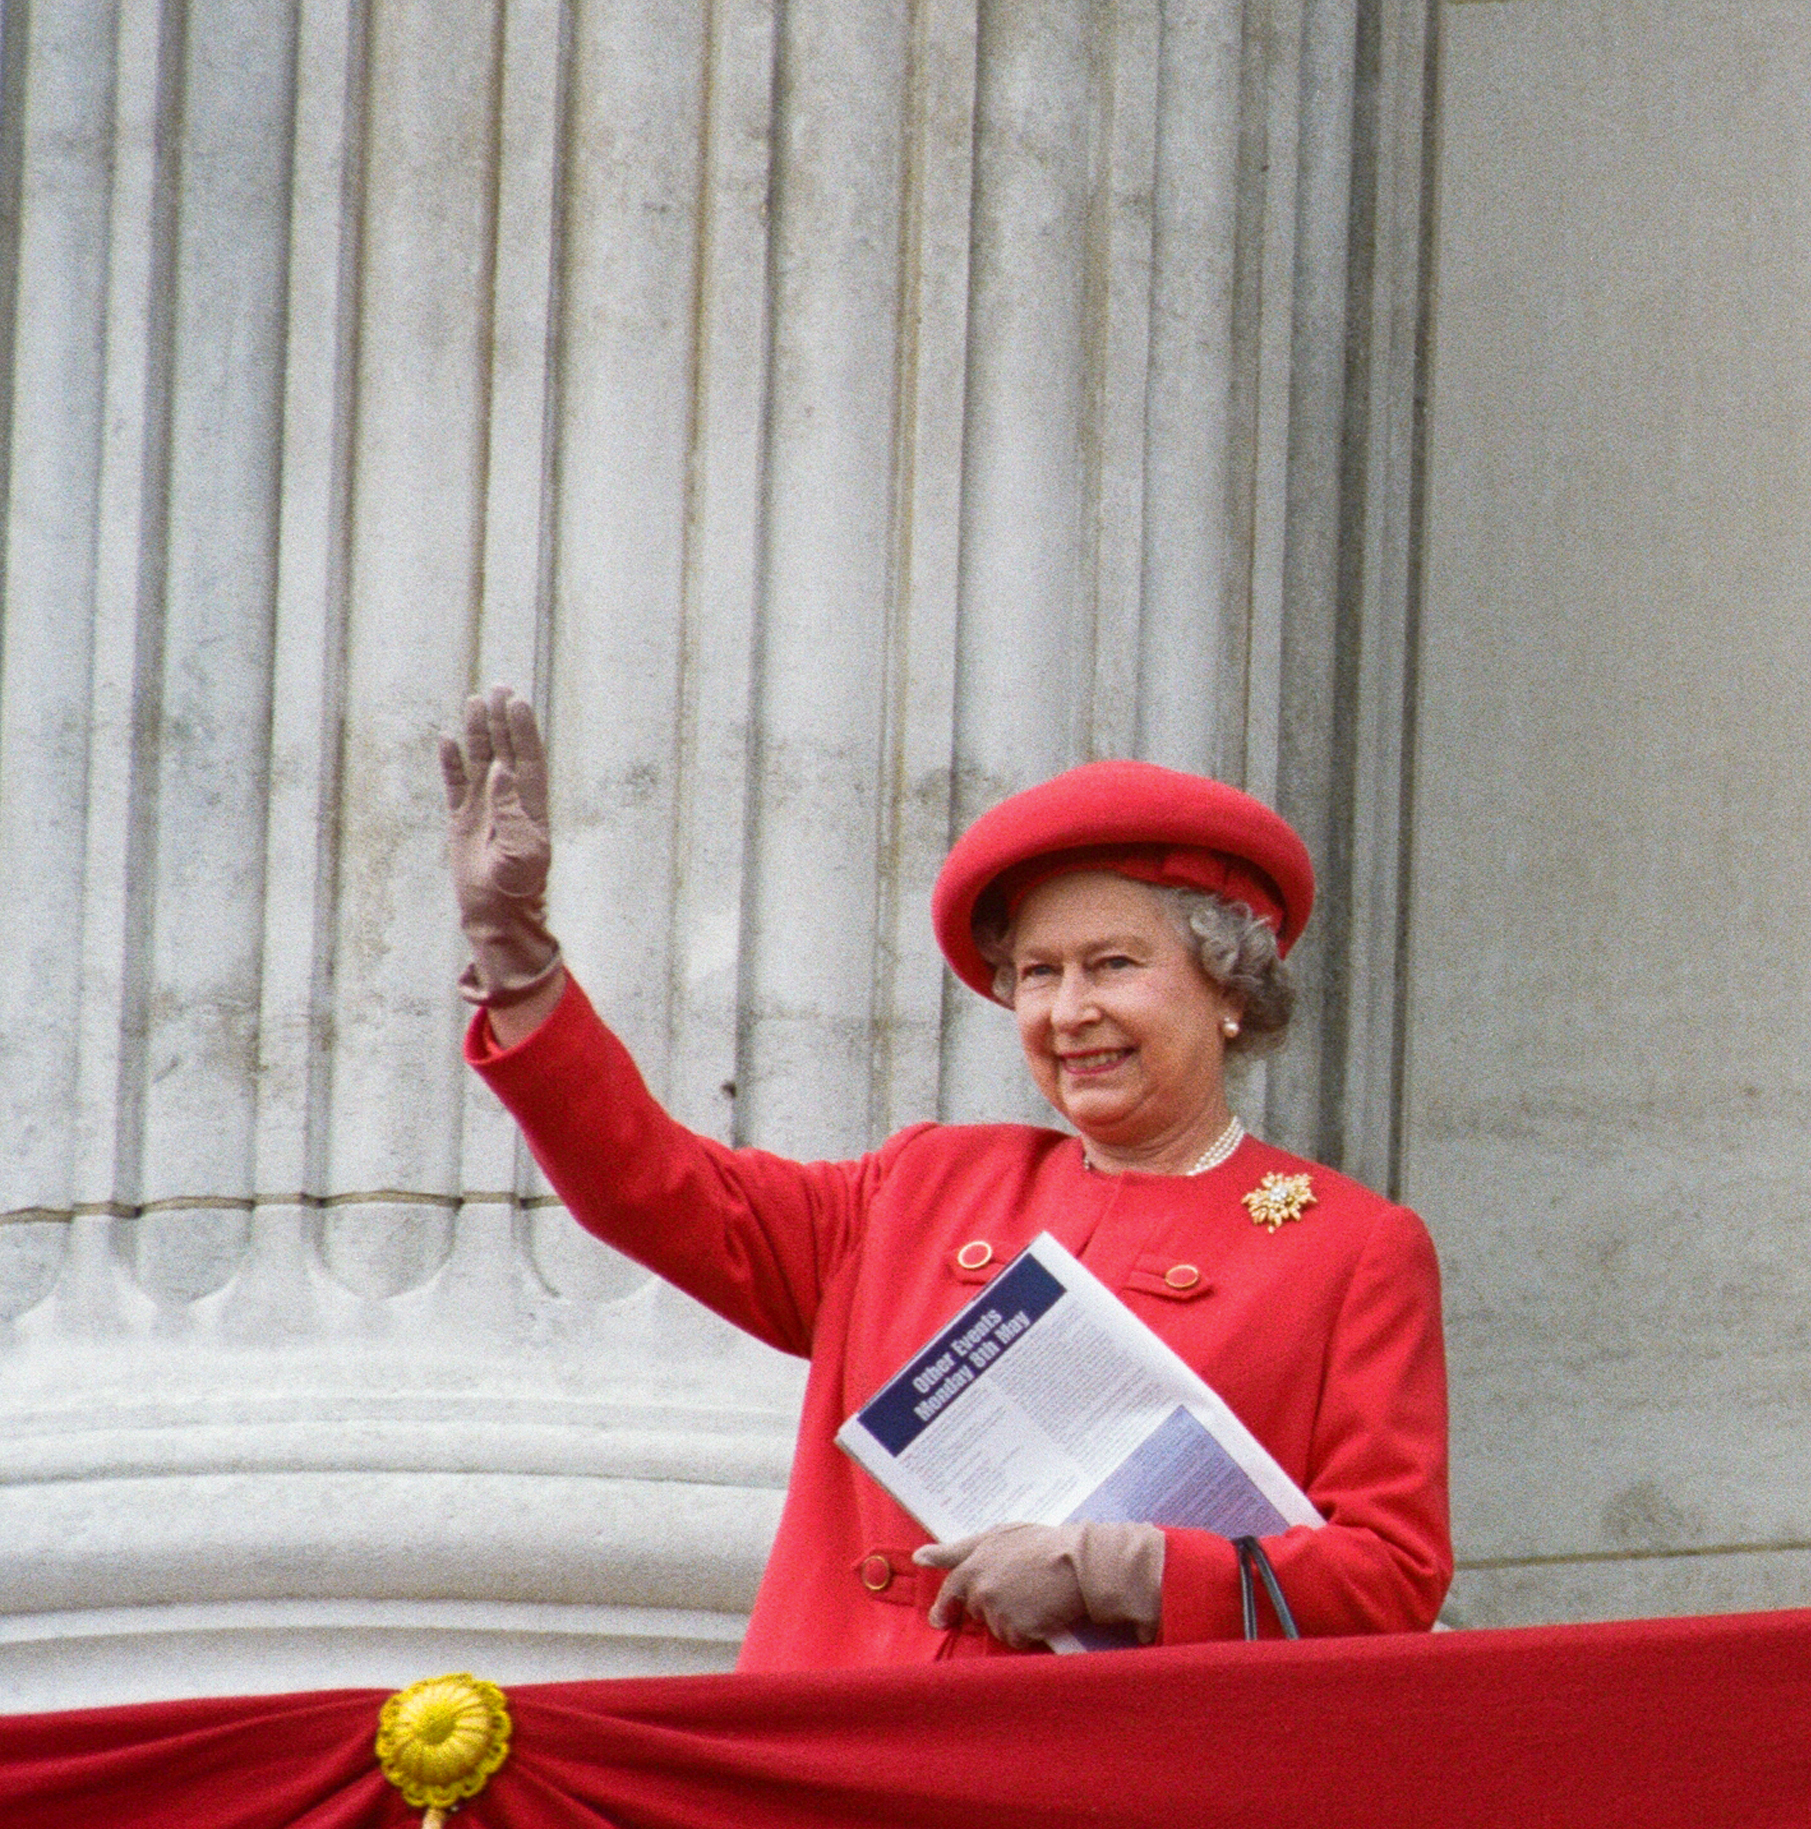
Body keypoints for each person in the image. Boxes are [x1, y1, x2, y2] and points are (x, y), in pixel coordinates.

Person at [445, 690, 1451, 1660]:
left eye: (1112, 966)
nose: (1069, 1012)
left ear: (1229, 989)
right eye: (1039, 975)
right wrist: (517, 955)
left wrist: (1121, 1568)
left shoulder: (1347, 1247)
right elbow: (646, 1185)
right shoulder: (921, 1188)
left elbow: (1390, 1580)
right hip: (832, 1759)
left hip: (1086, 1794)